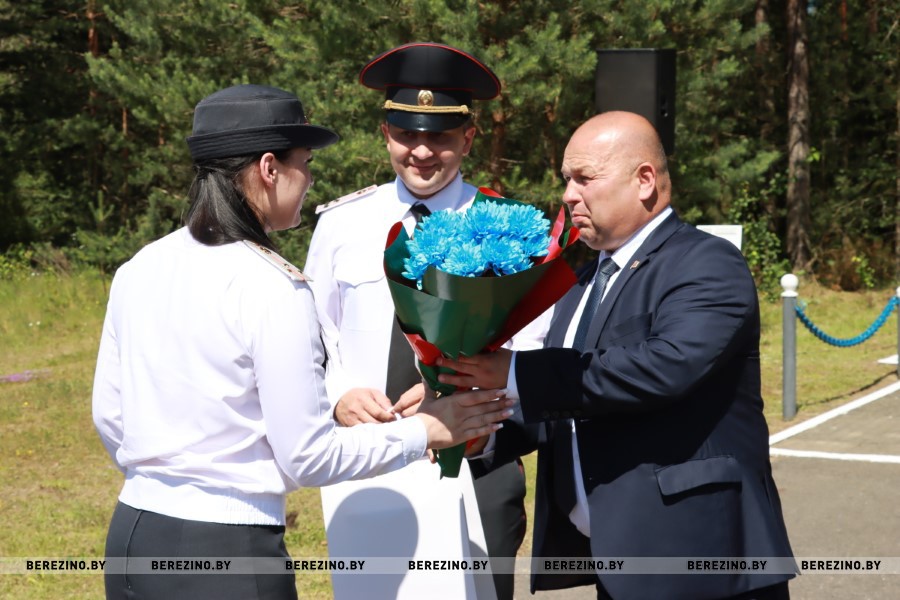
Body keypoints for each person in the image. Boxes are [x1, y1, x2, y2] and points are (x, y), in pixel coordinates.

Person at [91, 83, 513, 600]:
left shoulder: (140, 266)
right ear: (270, 169)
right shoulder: (270, 284)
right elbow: (307, 457)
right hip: (228, 546)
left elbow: (109, 416)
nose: (310, 181)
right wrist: (426, 430)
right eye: (305, 164)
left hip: (134, 531)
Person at [438, 111, 797, 600]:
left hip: (701, 561)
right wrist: (479, 428)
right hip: (621, 561)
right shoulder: (582, 282)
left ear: (644, 180)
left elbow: (664, 368)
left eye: (584, 178)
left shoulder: (705, 262)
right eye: (566, 179)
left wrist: (515, 370)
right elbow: (569, 401)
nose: (569, 195)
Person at [305, 43, 547, 600]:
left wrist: (474, 408)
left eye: (439, 136)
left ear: (468, 137)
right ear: (385, 132)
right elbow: (313, 341)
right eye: (405, 133)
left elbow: (535, 352)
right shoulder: (341, 224)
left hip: (477, 462)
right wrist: (338, 397)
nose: (420, 151)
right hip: (369, 459)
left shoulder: (507, 229)